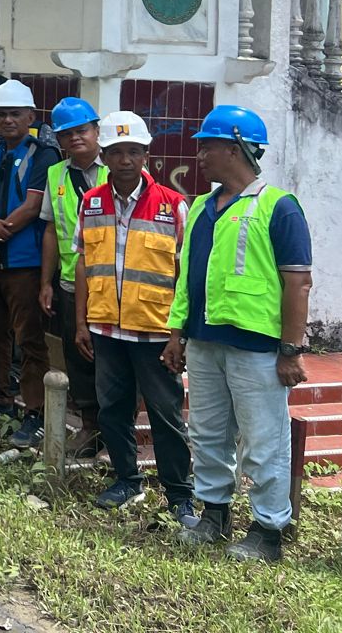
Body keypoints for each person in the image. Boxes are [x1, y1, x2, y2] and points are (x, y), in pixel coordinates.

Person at [164, 105, 313, 563]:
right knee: (208, 433)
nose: (200, 154)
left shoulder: (279, 207)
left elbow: (298, 282)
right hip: (206, 343)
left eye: (207, 146)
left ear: (235, 149)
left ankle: (269, 532)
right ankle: (214, 515)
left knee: (264, 439)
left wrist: (290, 350)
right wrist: (177, 333)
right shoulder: (204, 208)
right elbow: (188, 276)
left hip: (258, 348)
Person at [73, 111, 194, 520]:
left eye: (134, 152)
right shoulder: (90, 203)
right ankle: (127, 480)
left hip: (156, 333)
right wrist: (81, 324)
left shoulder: (174, 206)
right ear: (103, 156)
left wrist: (180, 334)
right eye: (117, 152)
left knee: (165, 413)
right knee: (113, 409)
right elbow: (84, 265)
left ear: (147, 155)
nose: (126, 160)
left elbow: (185, 274)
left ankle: (180, 496)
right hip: (105, 329)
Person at [0, 79, 59, 448]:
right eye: (1, 114)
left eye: (15, 114)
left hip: (23, 263)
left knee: (30, 338)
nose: (7, 120)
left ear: (30, 116)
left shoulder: (43, 155)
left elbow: (33, 207)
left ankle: (34, 411)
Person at [39, 95, 105, 457]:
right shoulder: (57, 174)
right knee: (77, 356)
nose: (75, 139)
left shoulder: (120, 169)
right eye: (66, 134)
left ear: (97, 132)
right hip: (68, 282)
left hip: (113, 285)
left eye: (82, 131)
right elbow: (51, 230)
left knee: (112, 359)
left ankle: (117, 429)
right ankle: (91, 426)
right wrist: (45, 282)